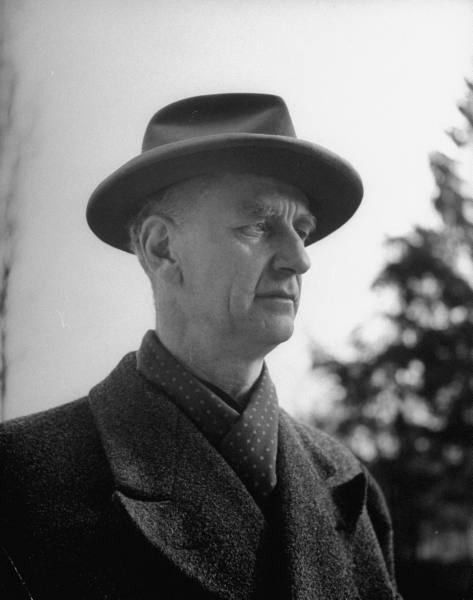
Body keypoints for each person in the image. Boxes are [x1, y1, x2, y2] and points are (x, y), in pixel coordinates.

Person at [0, 93, 400, 599]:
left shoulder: (350, 485)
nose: (300, 259)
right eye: (259, 225)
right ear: (163, 248)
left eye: (302, 230)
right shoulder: (19, 478)